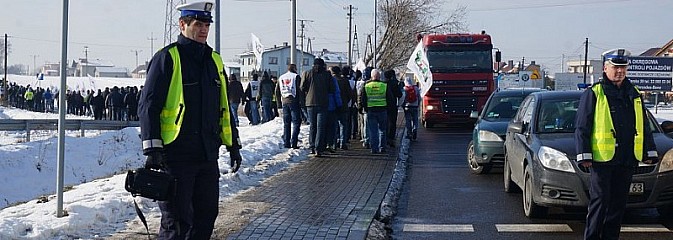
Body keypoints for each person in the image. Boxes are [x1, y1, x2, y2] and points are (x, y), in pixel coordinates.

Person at [137, 2, 243, 239]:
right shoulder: (168, 58)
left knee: (206, 218)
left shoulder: (214, 60)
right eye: (198, 24)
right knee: (177, 222)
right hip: (176, 157)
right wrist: (152, 148)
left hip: (207, 156)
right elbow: (148, 105)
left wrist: (233, 143)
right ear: (182, 24)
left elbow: (223, 108)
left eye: (207, 25)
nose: (204, 29)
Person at [575, 48, 658, 240]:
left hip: (627, 158)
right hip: (602, 159)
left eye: (623, 67)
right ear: (605, 68)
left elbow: (643, 125)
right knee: (600, 201)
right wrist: (584, 154)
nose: (619, 71)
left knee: (619, 205)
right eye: (615, 67)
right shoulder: (595, 93)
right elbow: (582, 126)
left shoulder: (634, 93)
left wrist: (649, 150)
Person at [301, 58, 335, 157]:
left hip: (310, 103)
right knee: (321, 127)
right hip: (323, 103)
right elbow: (331, 89)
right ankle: (318, 148)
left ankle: (312, 146)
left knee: (313, 126)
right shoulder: (327, 74)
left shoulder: (307, 73)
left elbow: (302, 87)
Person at [359, 69, 394, 154]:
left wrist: (363, 108)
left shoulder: (366, 85)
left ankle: (374, 149)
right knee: (382, 130)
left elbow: (362, 99)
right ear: (379, 76)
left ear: (371, 76)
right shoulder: (384, 85)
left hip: (371, 110)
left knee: (373, 131)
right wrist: (388, 109)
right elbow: (390, 99)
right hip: (382, 110)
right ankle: (382, 148)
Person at [275, 64, 302, 149]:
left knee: (286, 123)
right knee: (296, 122)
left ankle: (286, 142)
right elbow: (300, 89)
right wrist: (302, 102)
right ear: (294, 69)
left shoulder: (281, 77)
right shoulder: (296, 77)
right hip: (294, 101)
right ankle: (294, 142)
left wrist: (279, 104)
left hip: (284, 102)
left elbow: (277, 91)